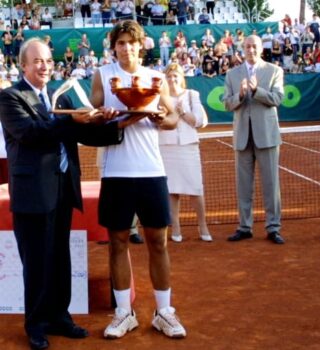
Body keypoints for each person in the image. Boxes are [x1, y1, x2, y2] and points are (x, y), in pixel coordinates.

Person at [0, 37, 125, 350]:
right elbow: (32, 133)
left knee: (59, 259)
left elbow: (83, 132)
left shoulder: (60, 98)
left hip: (62, 189)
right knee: (38, 262)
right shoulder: (10, 97)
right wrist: (73, 121)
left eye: (48, 61)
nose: (44, 66)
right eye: (37, 61)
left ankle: (60, 317)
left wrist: (115, 122)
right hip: (32, 194)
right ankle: (37, 325)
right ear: (23, 65)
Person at [90, 20, 186, 339]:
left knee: (157, 242)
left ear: (140, 45)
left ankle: (164, 312)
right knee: (117, 243)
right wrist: (104, 116)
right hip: (116, 173)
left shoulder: (156, 78)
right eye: (120, 43)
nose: (126, 47)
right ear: (113, 46)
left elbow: (173, 117)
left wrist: (161, 118)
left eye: (132, 42)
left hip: (151, 172)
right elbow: (92, 116)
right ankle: (123, 313)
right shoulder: (103, 75)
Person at [223, 35, 285, 245]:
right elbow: (227, 104)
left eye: (254, 46)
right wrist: (239, 95)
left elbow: (277, 99)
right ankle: (244, 226)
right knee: (243, 186)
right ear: (243, 49)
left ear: (261, 49)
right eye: (247, 46)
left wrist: (257, 91)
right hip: (242, 136)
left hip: (267, 135)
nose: (251, 50)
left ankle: (273, 227)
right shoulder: (232, 74)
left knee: (271, 184)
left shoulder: (274, 71)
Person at [159, 63, 212, 242]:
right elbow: (159, 122)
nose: (172, 79)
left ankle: (203, 225)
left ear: (181, 78)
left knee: (195, 189)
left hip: (188, 147)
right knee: (171, 191)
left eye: (175, 76)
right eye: (169, 76)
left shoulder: (192, 95)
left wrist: (181, 112)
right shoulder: (161, 97)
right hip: (166, 147)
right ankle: (176, 228)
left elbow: (197, 121)